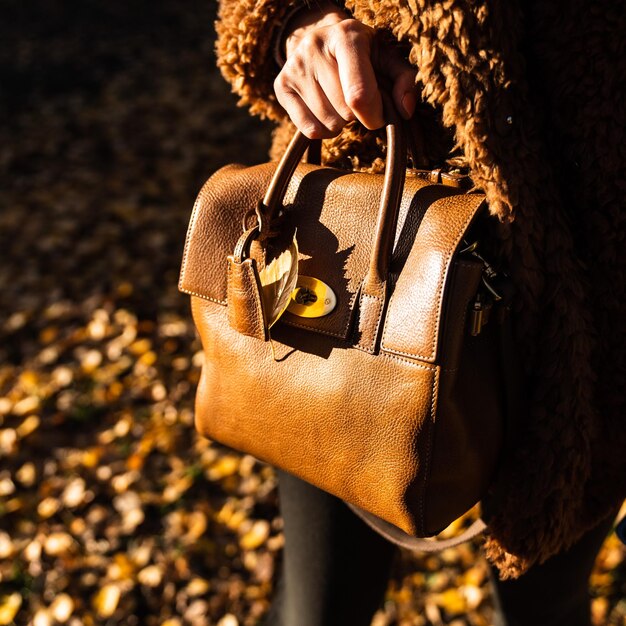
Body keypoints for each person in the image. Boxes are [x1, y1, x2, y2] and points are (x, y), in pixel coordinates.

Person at [214, 0, 625, 623]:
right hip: (347, 255)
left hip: (598, 299)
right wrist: (296, 20)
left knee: (548, 606)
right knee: (318, 607)